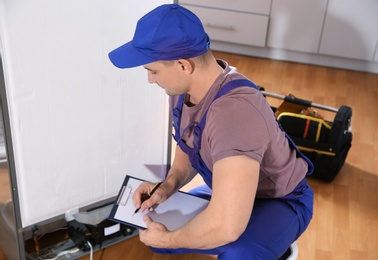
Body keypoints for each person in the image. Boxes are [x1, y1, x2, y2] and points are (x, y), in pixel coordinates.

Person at [108, 4, 314, 260]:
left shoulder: (234, 113)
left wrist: (170, 238)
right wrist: (167, 186)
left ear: (184, 65)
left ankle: (273, 245)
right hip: (228, 189)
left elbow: (227, 227)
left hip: (281, 200)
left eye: (153, 71)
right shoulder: (183, 91)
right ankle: (259, 238)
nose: (151, 79)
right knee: (158, 228)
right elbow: (188, 144)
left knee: (237, 252)